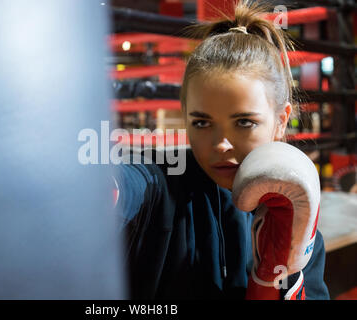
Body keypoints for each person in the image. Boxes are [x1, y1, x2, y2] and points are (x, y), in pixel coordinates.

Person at [112, 0, 330, 300]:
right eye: (202, 123)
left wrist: (275, 276)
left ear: (281, 121)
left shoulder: (298, 226)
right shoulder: (163, 184)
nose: (221, 144)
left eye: (244, 122)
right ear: (186, 116)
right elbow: (129, 183)